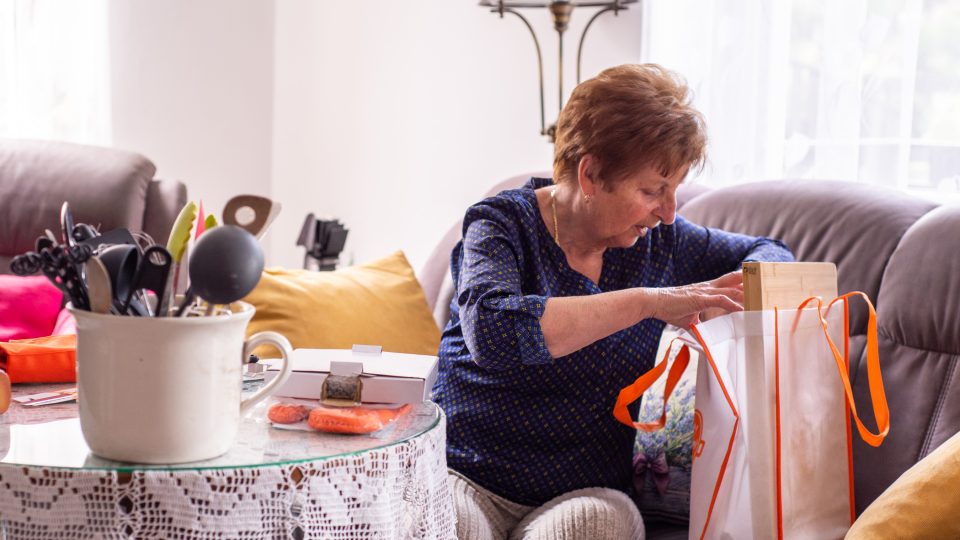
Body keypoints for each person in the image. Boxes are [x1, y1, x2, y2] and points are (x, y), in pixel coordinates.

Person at [432, 64, 793, 540]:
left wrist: (732, 297)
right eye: (652, 191)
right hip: (466, 476)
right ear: (591, 173)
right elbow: (494, 334)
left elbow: (772, 253)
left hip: (584, 493)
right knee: (441, 522)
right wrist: (647, 302)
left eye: (674, 191)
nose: (668, 212)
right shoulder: (501, 225)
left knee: (602, 524)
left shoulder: (661, 242)